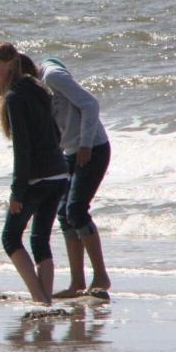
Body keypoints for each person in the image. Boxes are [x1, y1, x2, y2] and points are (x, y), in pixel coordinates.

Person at [0, 43, 68, 305]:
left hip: (36, 179)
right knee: (40, 239)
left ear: (10, 64)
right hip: (58, 174)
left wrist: (17, 192)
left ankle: (38, 298)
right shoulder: (38, 88)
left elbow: (22, 150)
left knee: (10, 238)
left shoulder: (14, 97)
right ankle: (45, 302)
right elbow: (56, 134)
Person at [36, 56, 112, 300]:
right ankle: (77, 283)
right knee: (64, 214)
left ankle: (101, 277)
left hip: (93, 147)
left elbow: (90, 104)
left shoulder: (52, 76)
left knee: (77, 210)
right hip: (71, 152)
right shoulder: (39, 87)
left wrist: (86, 145)